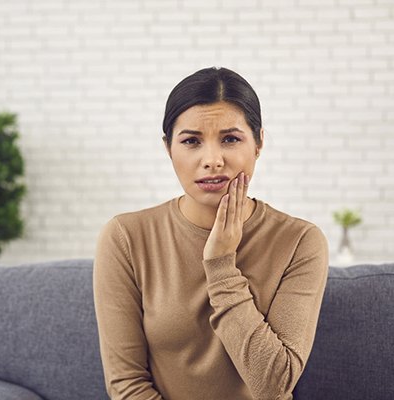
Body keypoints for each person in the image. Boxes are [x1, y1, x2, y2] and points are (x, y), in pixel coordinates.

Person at [93, 67, 329, 400]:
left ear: (259, 143)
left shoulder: (300, 241)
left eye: (231, 139)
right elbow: (126, 385)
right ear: (168, 148)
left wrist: (220, 265)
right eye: (191, 141)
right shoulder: (125, 237)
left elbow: (274, 384)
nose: (212, 160)